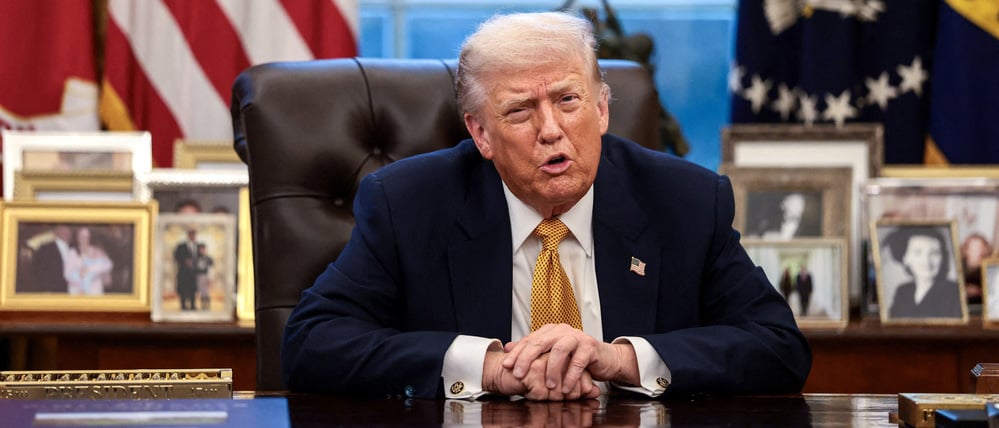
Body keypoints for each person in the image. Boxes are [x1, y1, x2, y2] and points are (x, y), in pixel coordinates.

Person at [282, 11, 810, 400]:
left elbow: (778, 346)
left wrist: (621, 359)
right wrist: (485, 367)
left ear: (601, 110)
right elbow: (312, 345)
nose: (551, 130)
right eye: (519, 111)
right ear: (481, 133)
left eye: (567, 100)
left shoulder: (685, 200)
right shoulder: (408, 204)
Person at [885, 226, 963, 319]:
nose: (926, 261)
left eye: (934, 253)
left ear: (943, 258)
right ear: (905, 258)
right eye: (918, 252)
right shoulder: (902, 291)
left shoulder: (954, 291)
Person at [23, 225, 74, 293]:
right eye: (62, 229)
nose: (66, 232)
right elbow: (39, 271)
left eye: (68, 229)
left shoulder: (74, 248)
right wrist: (46, 290)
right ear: (56, 231)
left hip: (73, 290)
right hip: (53, 291)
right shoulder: (45, 248)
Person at [65, 226, 114, 295]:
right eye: (82, 236)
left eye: (86, 236)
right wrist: (80, 275)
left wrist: (91, 270)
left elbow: (108, 265)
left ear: (90, 237)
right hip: (77, 292)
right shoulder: (72, 253)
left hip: (95, 291)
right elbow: (67, 275)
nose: (84, 239)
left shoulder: (97, 250)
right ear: (77, 237)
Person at [174, 229, 200, 310]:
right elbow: (176, 256)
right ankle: (183, 305)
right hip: (183, 272)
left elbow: (201, 257)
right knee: (183, 289)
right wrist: (184, 261)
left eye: (194, 235)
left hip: (193, 272)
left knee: (192, 289)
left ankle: (192, 305)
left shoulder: (198, 246)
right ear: (188, 236)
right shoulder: (181, 246)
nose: (193, 237)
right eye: (191, 235)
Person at [195, 243, 214, 310]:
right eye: (201, 249)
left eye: (203, 249)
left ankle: (207, 305)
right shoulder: (196, 258)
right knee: (202, 292)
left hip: (206, 276)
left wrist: (210, 278)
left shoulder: (208, 258)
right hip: (199, 276)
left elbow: (211, 269)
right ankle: (203, 305)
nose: (202, 250)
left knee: (206, 292)